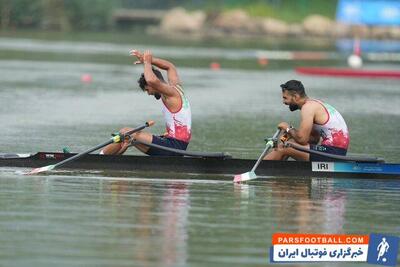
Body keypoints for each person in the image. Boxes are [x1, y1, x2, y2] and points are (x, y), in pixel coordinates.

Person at [101, 50, 191, 156]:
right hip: (175, 144)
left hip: (174, 146)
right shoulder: (176, 88)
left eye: (148, 90)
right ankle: (109, 158)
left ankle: (99, 158)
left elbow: (151, 80)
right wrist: (149, 60)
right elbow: (170, 66)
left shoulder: (171, 93)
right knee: (129, 137)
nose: (149, 94)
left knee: (125, 132)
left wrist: (147, 62)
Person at [264, 80, 350, 161]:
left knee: (285, 147)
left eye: (285, 98)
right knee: (287, 143)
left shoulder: (308, 108)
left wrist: (287, 127)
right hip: (336, 151)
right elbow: (314, 139)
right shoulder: (314, 104)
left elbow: (302, 140)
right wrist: (289, 134)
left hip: (332, 153)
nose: (283, 102)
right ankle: (276, 171)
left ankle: (261, 169)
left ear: (295, 96)